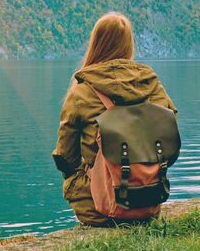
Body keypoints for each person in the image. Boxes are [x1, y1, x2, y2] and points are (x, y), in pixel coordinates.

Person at [52, 12, 177, 226]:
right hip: (149, 200)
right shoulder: (152, 84)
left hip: (97, 209)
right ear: (129, 45)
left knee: (72, 174)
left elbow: (66, 157)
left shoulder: (82, 90)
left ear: (96, 44)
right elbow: (170, 140)